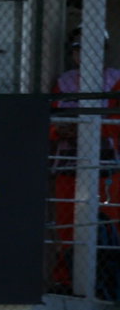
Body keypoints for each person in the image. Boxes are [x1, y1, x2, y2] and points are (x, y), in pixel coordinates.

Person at [48, 27, 120, 293]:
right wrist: (60, 130)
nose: (84, 54)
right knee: (67, 226)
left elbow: (116, 122)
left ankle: (106, 280)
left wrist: (88, 128)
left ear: (103, 51)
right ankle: (67, 281)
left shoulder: (115, 80)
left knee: (107, 221)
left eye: (91, 48)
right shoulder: (64, 82)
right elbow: (50, 120)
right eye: (78, 49)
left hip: (107, 164)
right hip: (69, 163)